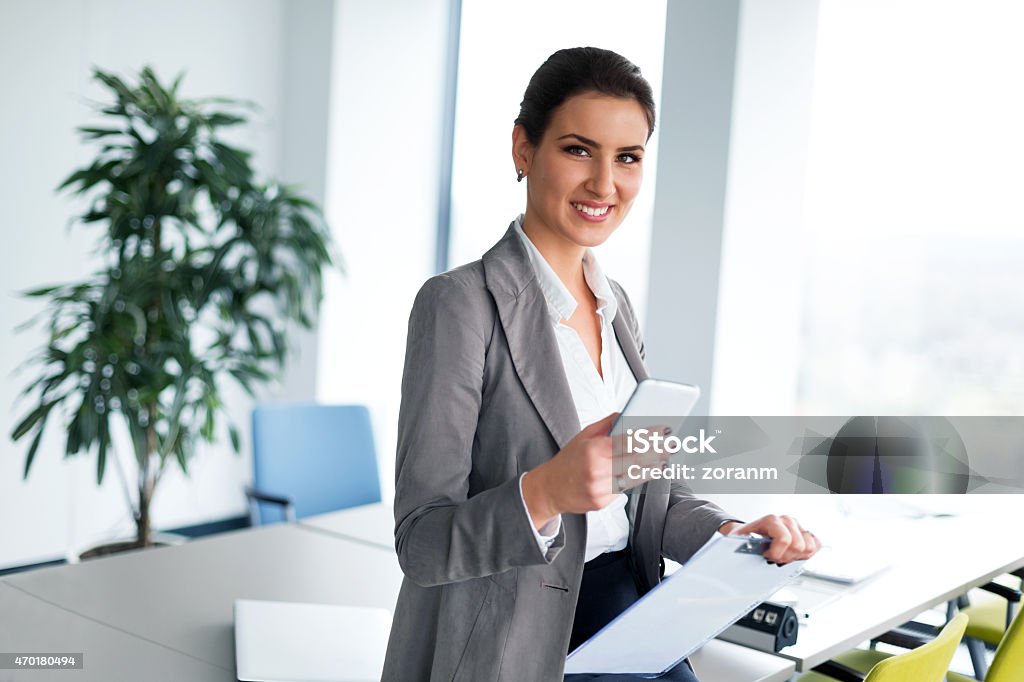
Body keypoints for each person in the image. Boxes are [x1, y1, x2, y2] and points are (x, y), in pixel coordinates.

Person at [381, 46, 820, 682]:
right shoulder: (459, 305)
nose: (605, 185)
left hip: (630, 617)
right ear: (523, 149)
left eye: (628, 158)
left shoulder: (616, 309)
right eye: (578, 150)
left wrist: (730, 533)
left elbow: (646, 500)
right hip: (513, 637)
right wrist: (544, 492)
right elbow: (421, 542)